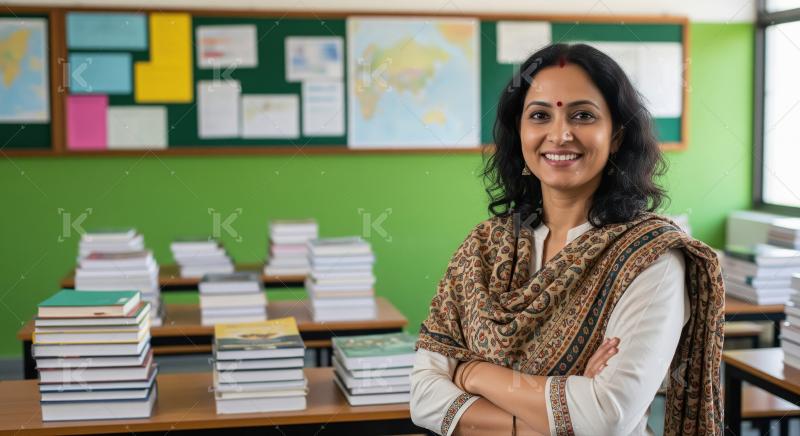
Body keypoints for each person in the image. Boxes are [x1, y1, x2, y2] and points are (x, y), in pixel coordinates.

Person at [410, 43, 724, 436]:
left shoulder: (650, 257)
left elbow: (604, 418)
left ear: (617, 136)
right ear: (520, 132)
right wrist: (547, 417)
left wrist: (472, 372)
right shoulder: (484, 248)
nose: (560, 134)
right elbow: (423, 398)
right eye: (540, 115)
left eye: (583, 115)